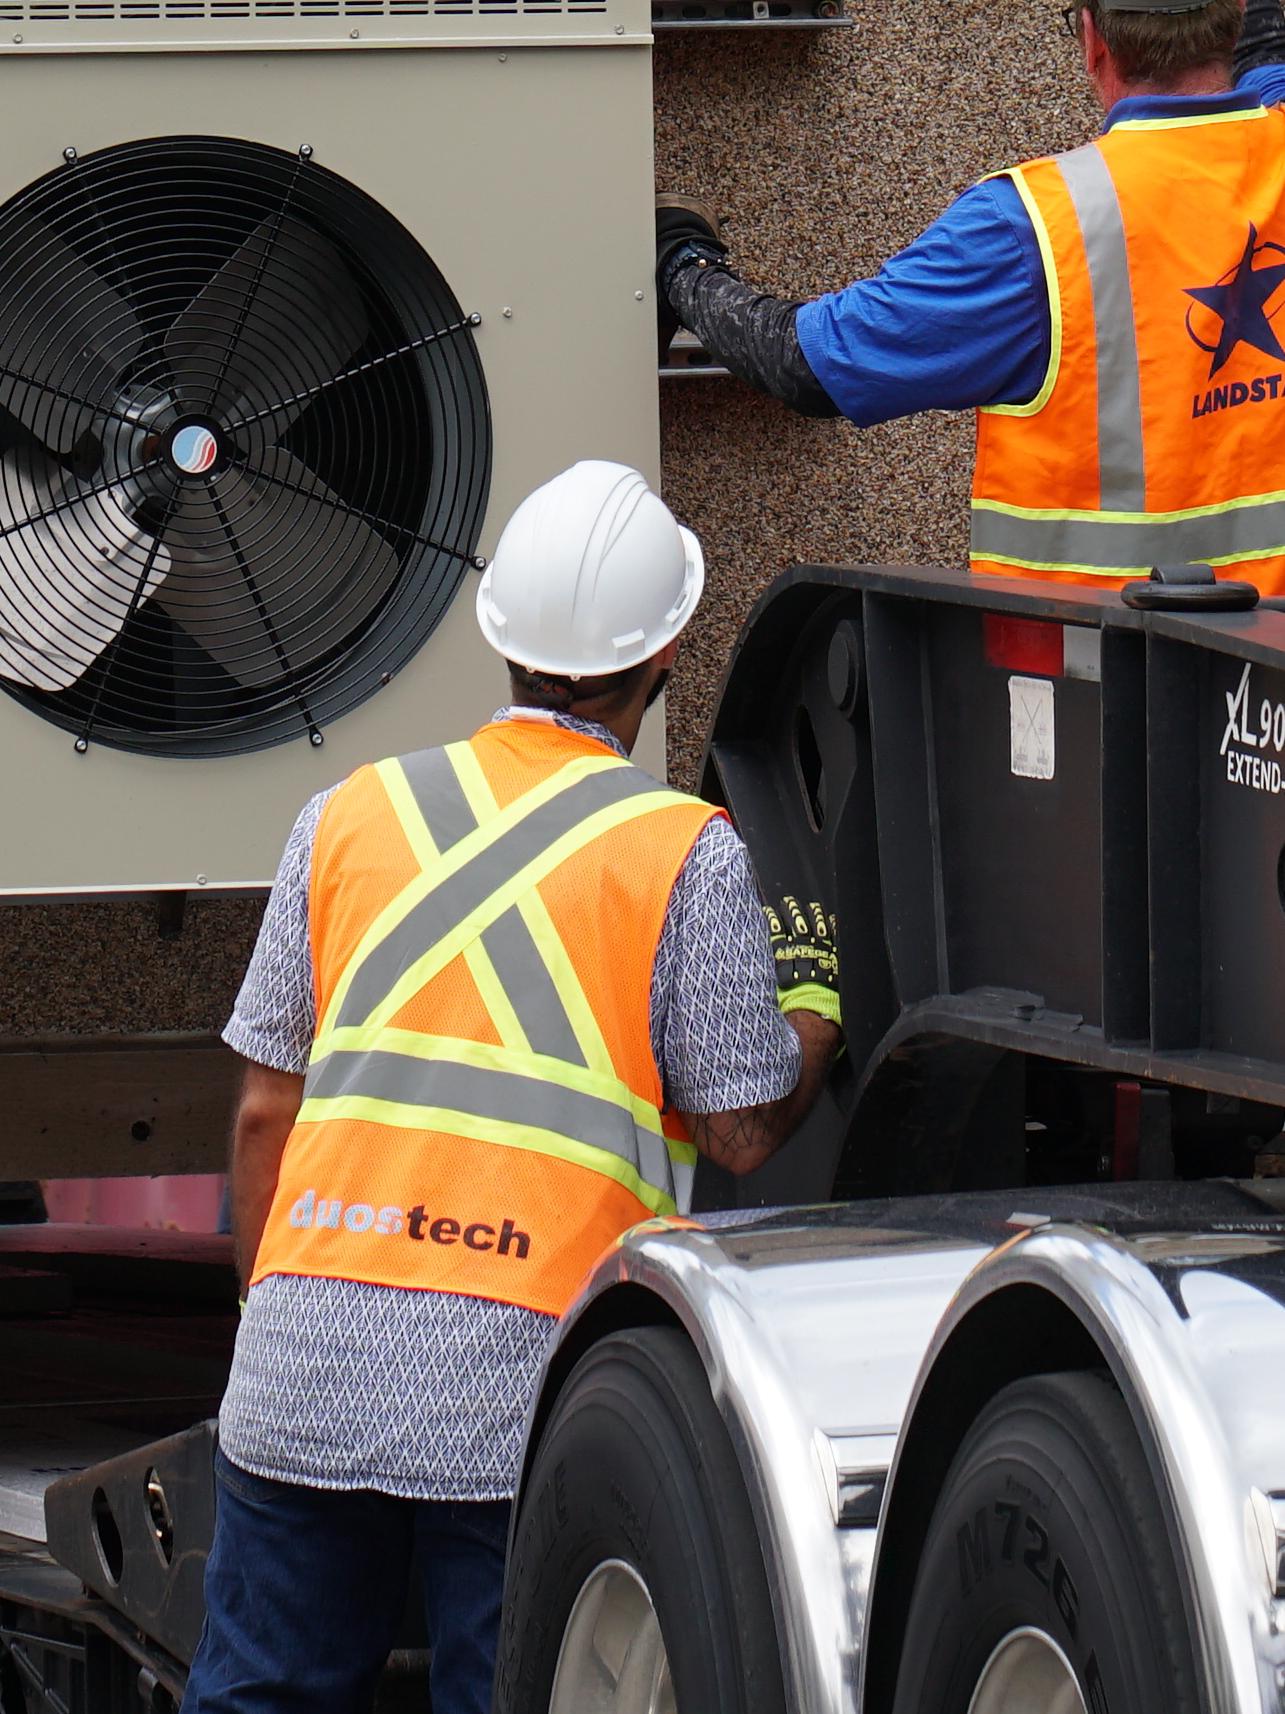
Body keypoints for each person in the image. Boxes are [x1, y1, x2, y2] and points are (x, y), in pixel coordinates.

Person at [196, 462, 837, 1714]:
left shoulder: (344, 815)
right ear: (662, 659)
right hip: (519, 1392)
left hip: (300, 1370)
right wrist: (813, 1006)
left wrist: (282, 1327)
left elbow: (268, 1111)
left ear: (498, 637)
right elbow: (744, 1126)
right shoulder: (679, 849)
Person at [655, 0, 1285, 596]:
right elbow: (1271, 53)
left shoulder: (1036, 231)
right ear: (1231, 9)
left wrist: (680, 263)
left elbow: (806, 365)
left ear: (1091, 40)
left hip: (1096, 702)